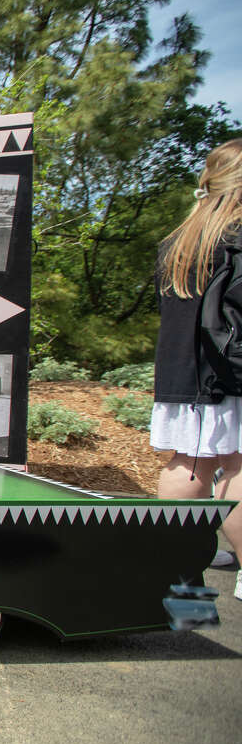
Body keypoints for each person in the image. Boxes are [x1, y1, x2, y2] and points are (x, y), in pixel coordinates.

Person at [151, 137, 242, 600]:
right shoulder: (235, 238)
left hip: (182, 375)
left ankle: (176, 578)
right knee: (236, 467)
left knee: (188, 464)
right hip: (227, 376)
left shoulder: (181, 240)